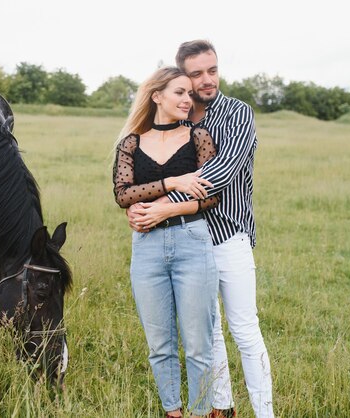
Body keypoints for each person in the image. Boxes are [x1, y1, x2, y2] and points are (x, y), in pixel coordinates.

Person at [127, 40, 275, 418]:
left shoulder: (238, 113)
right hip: (190, 238)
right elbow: (151, 169)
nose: (206, 80)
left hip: (229, 235)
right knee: (207, 333)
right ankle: (220, 408)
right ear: (183, 77)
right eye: (196, 74)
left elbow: (221, 173)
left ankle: (265, 412)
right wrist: (144, 205)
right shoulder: (181, 116)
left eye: (212, 70)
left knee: (243, 328)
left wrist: (160, 208)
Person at [113, 66, 220, 418]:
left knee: (198, 346)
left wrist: (161, 210)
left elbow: (211, 196)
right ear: (157, 96)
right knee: (160, 345)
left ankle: (202, 411)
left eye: (189, 94)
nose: (187, 100)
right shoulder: (131, 142)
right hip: (146, 249)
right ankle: (172, 411)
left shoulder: (198, 137)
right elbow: (123, 194)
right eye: (179, 92)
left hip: (193, 242)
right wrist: (173, 182)